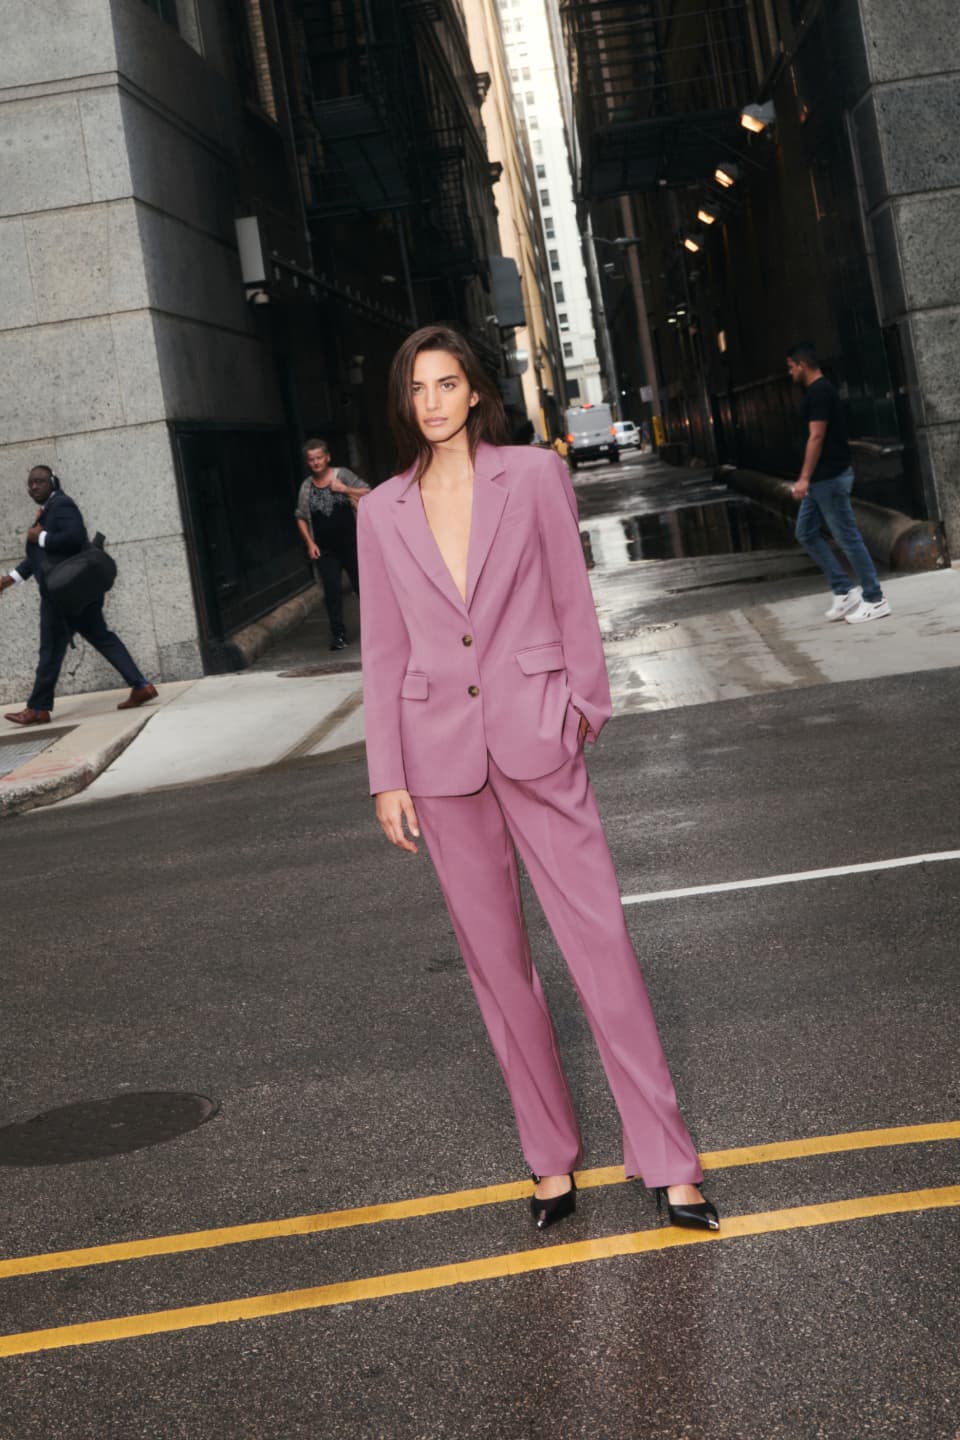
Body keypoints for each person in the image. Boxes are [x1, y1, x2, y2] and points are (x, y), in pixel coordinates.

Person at [358, 324, 718, 1234]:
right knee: (497, 970)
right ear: (405, 402)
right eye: (418, 388)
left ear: (475, 392)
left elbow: (570, 595)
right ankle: (549, 1160)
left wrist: (582, 708)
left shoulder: (534, 476)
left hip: (538, 735)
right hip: (438, 759)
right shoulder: (380, 511)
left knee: (602, 948)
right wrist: (386, 773)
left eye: (448, 384)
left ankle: (670, 1161)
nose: (432, 401)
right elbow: (384, 648)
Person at [1, 465, 157, 725]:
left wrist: (41, 537)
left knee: (51, 648)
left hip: (63, 593)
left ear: (53, 481)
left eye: (39, 481)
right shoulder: (49, 510)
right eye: (30, 484)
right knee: (100, 636)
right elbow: (40, 560)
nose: (34, 487)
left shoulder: (62, 505)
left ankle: (37, 709)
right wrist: (10, 579)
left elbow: (74, 538)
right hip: (73, 590)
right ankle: (141, 686)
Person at [787, 343, 891, 623]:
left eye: (791, 367)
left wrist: (804, 477)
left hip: (829, 478)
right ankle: (844, 590)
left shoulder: (820, 393)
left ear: (803, 364)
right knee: (806, 532)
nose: (790, 372)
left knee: (847, 537)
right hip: (822, 479)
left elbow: (817, 437)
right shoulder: (817, 392)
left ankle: (875, 598)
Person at [294, 438, 370, 651]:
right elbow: (300, 515)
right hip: (326, 550)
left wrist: (344, 489)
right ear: (308, 463)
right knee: (332, 592)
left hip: (352, 544)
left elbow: (369, 492)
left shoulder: (342, 475)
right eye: (311, 460)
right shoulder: (306, 487)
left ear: (327, 457)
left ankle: (377, 631)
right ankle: (338, 635)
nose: (316, 463)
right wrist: (310, 543)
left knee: (363, 589)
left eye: (319, 458)